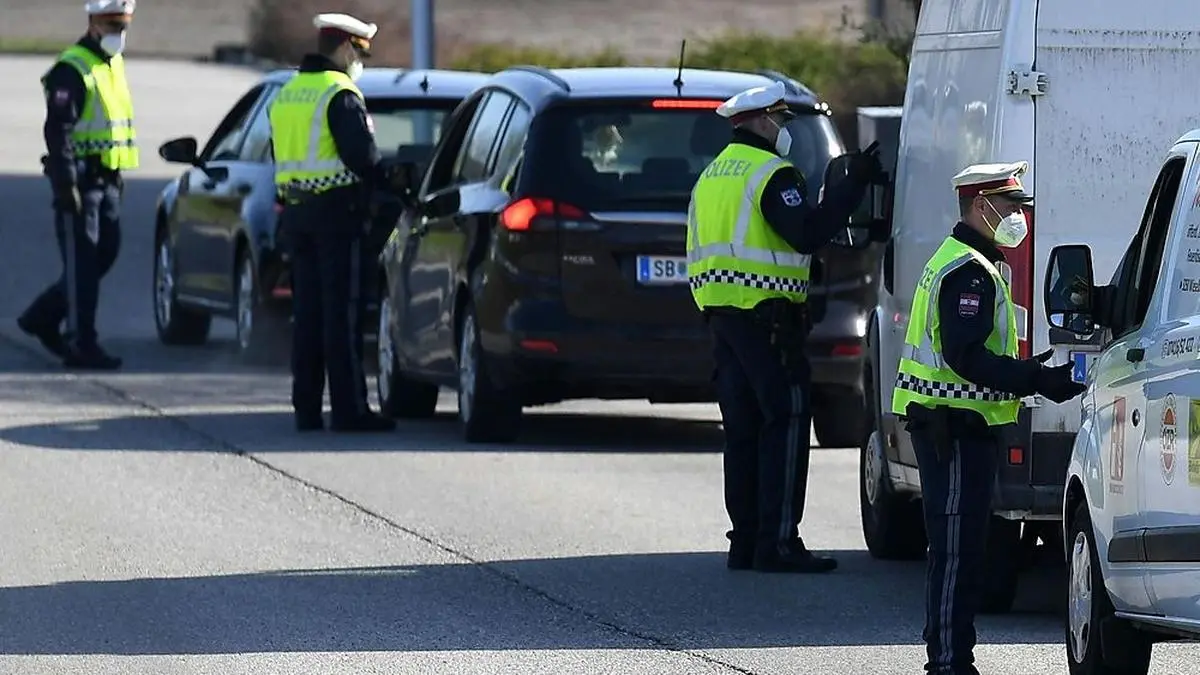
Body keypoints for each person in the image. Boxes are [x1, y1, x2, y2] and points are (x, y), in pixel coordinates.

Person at [890, 161, 1086, 674]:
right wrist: (1034, 379)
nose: (1018, 216)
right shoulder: (968, 272)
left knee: (954, 550)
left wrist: (1027, 374)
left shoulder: (966, 261)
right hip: (953, 432)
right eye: (1011, 206)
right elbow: (965, 355)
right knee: (958, 552)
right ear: (983, 206)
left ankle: (947, 652)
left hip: (955, 429)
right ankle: (950, 663)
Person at [686, 81, 884, 574]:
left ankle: (747, 540)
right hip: (769, 320)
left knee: (744, 431)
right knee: (787, 422)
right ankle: (778, 542)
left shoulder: (712, 176)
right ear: (760, 122)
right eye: (781, 121)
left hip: (724, 321)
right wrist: (852, 185)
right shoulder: (772, 174)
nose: (785, 130)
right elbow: (808, 234)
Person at [268, 12, 397, 433]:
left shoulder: (288, 92)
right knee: (340, 316)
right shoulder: (339, 93)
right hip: (335, 217)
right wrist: (391, 181)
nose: (361, 62)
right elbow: (363, 157)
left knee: (307, 316)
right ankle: (349, 410)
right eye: (360, 53)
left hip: (297, 215)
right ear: (344, 48)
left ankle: (306, 409)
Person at [18, 0, 138, 370]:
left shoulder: (111, 63)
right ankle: (82, 342)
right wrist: (65, 183)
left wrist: (116, 173)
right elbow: (59, 131)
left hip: (107, 181)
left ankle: (41, 316)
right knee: (83, 266)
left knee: (104, 255)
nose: (118, 33)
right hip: (81, 183)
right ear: (92, 22)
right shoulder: (72, 69)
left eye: (123, 25)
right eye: (111, 24)